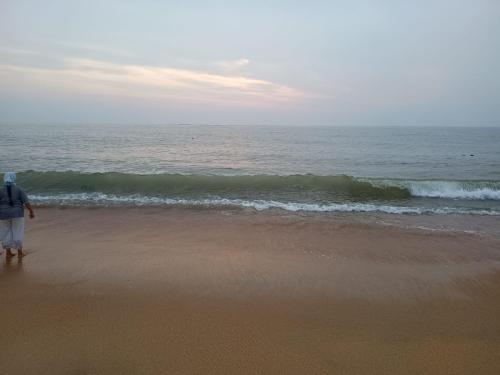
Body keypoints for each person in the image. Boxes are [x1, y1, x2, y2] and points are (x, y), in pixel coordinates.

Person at [0, 172, 35, 258]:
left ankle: (8, 253)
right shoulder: (19, 189)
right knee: (17, 232)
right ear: (14, 178)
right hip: (17, 213)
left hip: (3, 214)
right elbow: (26, 202)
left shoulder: (0, 189)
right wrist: (31, 212)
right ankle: (20, 253)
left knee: (6, 233)